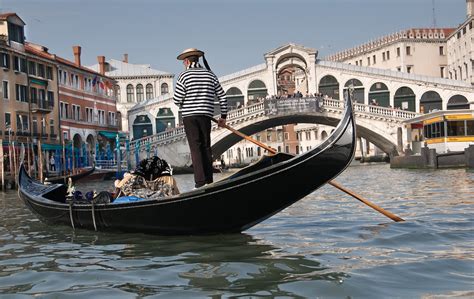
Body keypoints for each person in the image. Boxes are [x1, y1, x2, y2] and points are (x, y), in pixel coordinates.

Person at [173, 48, 227, 188]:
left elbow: (177, 99)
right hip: (205, 116)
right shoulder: (210, 75)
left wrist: (187, 101)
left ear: (186, 61)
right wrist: (223, 117)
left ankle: (200, 182)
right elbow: (222, 96)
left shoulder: (184, 76)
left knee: (195, 148)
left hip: (190, 117)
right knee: (206, 147)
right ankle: (209, 180)